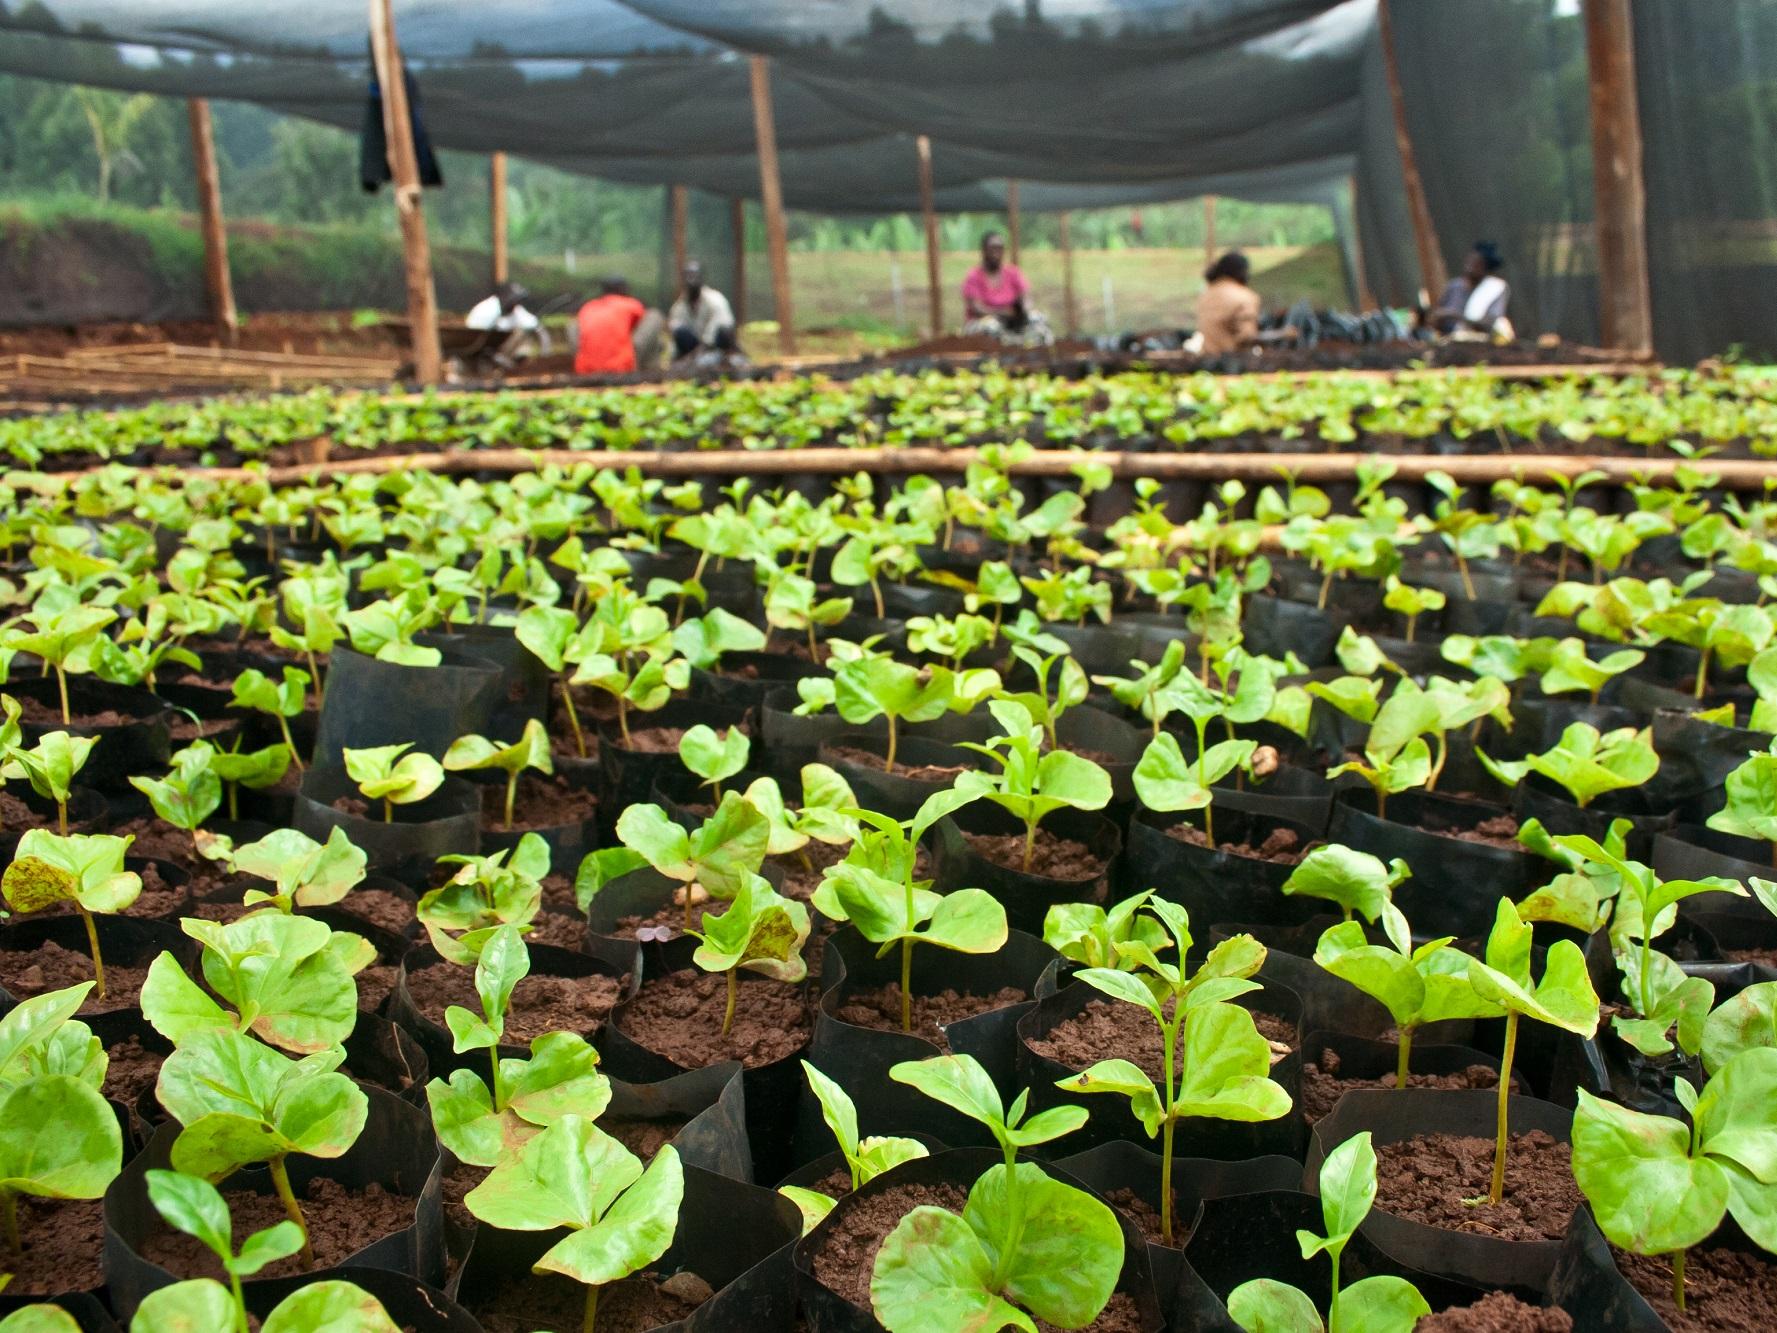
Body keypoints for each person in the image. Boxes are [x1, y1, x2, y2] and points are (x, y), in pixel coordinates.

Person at [961, 231, 1052, 344]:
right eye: (993, 249)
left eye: (1000, 249)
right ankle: (995, 358)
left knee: (1039, 320)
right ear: (984, 250)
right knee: (991, 327)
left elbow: (1026, 297)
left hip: (1013, 321)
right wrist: (1002, 313)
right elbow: (977, 308)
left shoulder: (1013, 273)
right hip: (985, 320)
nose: (996, 253)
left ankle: (1044, 356)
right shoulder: (974, 276)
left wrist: (1023, 311)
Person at [572, 278, 664, 375]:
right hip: (622, 368)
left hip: (586, 370)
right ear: (624, 290)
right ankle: (650, 371)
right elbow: (643, 330)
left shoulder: (588, 307)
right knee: (654, 316)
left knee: (574, 324)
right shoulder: (629, 304)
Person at [1427, 242, 1513, 339]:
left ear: (1486, 268)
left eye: (1478, 263)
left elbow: (1489, 323)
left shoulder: (1494, 288)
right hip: (1447, 339)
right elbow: (1437, 315)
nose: (1472, 266)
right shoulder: (1454, 286)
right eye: (1471, 261)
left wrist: (1455, 315)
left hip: (1478, 341)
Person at [1194, 251, 1265, 356]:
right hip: (1233, 362)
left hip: (1207, 359)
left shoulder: (1206, 295)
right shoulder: (1244, 296)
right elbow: (1247, 335)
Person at [668, 261, 737, 360]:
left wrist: (694, 357)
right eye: (688, 276)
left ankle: (726, 357)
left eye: (694, 276)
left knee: (724, 330)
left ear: (701, 278)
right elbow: (676, 336)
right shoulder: (679, 307)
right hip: (694, 347)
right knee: (679, 330)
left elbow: (720, 330)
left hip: (714, 345)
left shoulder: (715, 300)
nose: (691, 280)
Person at [465, 282, 549, 363]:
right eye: (513, 300)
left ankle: (513, 360)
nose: (515, 303)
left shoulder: (515, 311)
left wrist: (544, 355)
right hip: (481, 347)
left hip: (499, 350)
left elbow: (536, 327)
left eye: (517, 300)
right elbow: (476, 334)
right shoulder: (487, 309)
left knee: (521, 332)